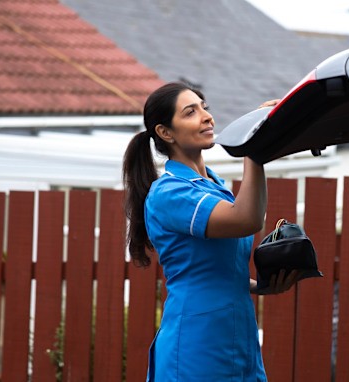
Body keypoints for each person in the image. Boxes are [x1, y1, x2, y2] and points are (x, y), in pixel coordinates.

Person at [123, 82, 300, 381]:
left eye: (205, 107)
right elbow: (247, 219)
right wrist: (252, 146)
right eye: (191, 112)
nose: (206, 116)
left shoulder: (214, 185)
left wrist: (259, 286)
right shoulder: (170, 192)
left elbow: (212, 269)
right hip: (197, 342)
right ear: (165, 132)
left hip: (238, 335)